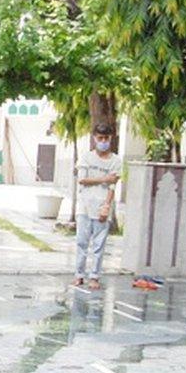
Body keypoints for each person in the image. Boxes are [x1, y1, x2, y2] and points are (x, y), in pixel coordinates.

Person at [73, 123, 122, 290]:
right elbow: (82, 180)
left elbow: (113, 186)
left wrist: (106, 206)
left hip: (102, 208)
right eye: (100, 138)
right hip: (85, 207)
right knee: (81, 242)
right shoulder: (86, 157)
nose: (103, 141)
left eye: (106, 138)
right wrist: (104, 179)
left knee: (99, 245)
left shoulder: (116, 161)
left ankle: (94, 276)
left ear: (111, 139)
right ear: (94, 138)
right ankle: (79, 275)